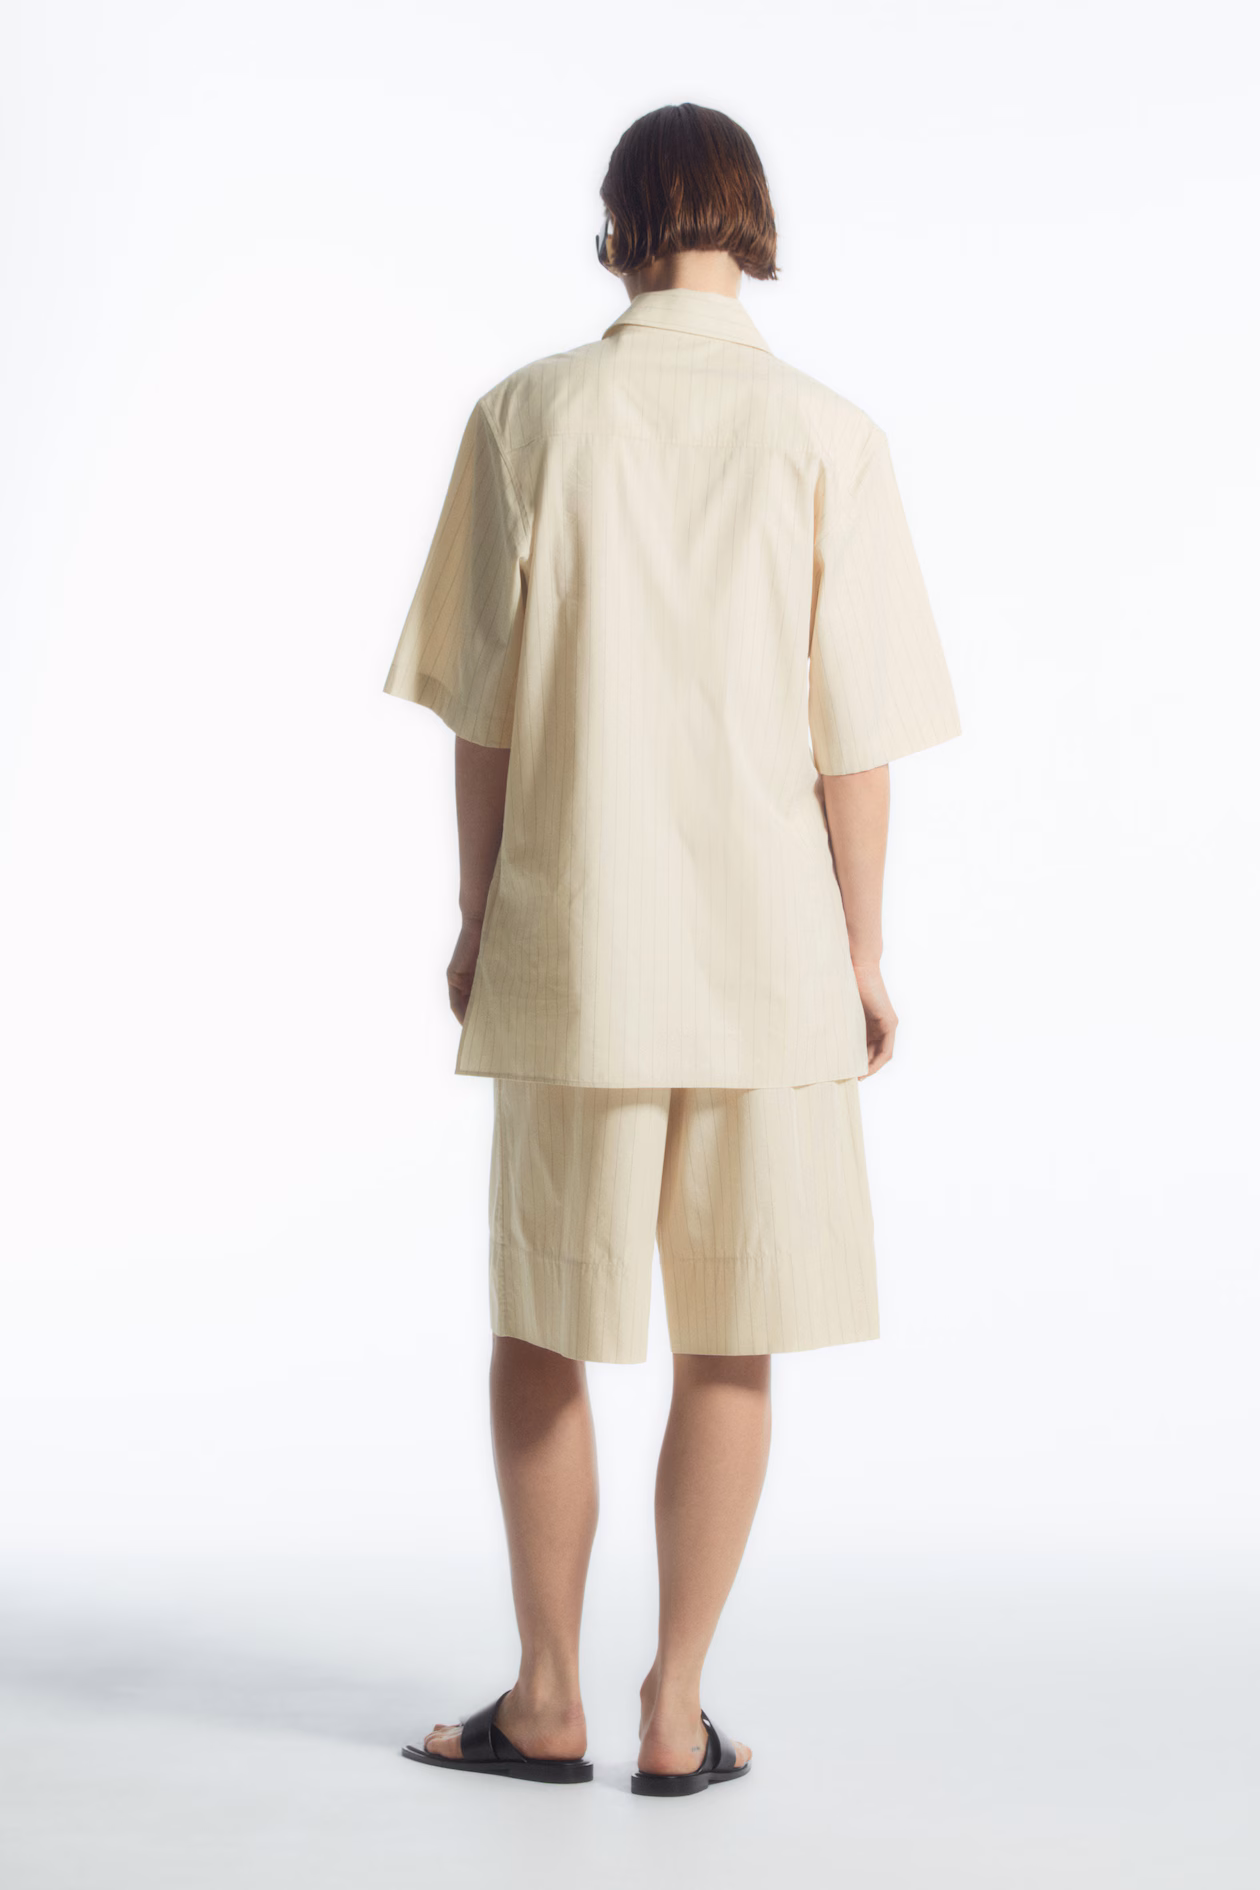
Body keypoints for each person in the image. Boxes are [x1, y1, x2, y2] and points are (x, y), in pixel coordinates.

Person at [383, 102, 961, 1794]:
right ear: (750, 223)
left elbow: (482, 716)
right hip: (769, 953)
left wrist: (478, 913)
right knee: (732, 1330)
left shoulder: (529, 415)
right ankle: (672, 1706)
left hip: (579, 942)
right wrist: (864, 950)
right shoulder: (829, 435)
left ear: (620, 222)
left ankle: (547, 1695)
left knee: (543, 1322)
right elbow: (855, 739)